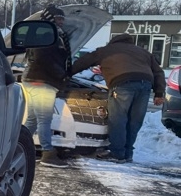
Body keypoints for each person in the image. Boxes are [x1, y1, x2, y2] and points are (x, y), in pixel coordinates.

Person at [69, 34, 165, 163]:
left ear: (113, 41)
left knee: (118, 120)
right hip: (145, 85)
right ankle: (128, 154)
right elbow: (158, 72)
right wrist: (159, 93)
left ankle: (117, 153)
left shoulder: (107, 50)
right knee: (134, 121)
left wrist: (66, 73)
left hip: (123, 84)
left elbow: (83, 62)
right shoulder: (143, 52)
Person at [22, 4, 73, 168]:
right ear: (50, 19)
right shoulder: (48, 34)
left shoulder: (43, 33)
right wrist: (61, 75)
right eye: (58, 18)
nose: (61, 22)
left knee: (32, 119)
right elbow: (45, 59)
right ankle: (48, 153)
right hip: (42, 81)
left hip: (33, 79)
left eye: (62, 19)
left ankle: (17, 148)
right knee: (44, 119)